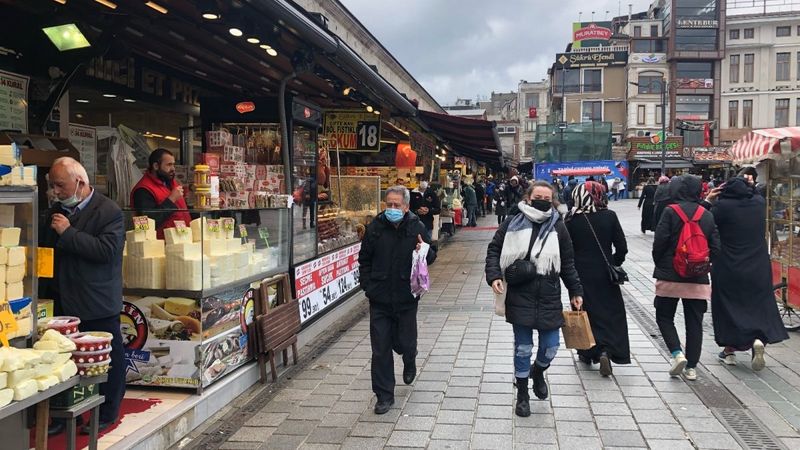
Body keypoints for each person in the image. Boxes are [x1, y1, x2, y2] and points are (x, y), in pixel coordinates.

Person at [40, 157, 126, 434]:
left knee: (104, 362)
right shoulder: (54, 210)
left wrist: (68, 233)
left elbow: (105, 252)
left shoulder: (109, 211)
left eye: (60, 185)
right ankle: (65, 416)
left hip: (96, 300)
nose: (56, 191)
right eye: (52, 186)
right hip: (62, 298)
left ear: (80, 182)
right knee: (62, 360)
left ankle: (107, 413)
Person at [485, 181, 583, 417]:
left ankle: (538, 372)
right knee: (523, 348)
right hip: (520, 294)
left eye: (546, 198)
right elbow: (494, 250)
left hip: (549, 296)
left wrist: (575, 291)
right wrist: (494, 275)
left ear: (552, 200)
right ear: (528, 198)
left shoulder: (559, 226)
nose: (541, 200)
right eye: (537, 196)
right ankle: (522, 394)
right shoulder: (512, 222)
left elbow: (568, 263)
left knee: (551, 347)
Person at [359, 186, 437, 414]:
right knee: (380, 348)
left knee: (405, 342)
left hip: (406, 296)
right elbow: (364, 259)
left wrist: (424, 249)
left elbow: (432, 256)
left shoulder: (416, 226)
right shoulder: (375, 227)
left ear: (405, 206)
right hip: (380, 297)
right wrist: (368, 286)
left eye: (396, 205)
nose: (392, 209)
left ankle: (409, 358)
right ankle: (384, 395)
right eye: (388, 204)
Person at [704, 177, 788, 370]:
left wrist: (710, 200)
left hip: (727, 265)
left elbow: (703, 220)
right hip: (757, 265)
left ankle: (729, 350)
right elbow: (757, 190)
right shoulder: (758, 203)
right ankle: (758, 340)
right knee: (758, 304)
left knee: (727, 305)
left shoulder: (721, 208)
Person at [652, 175, 720, 381]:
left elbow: (659, 242)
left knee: (664, 316)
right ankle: (691, 367)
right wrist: (704, 266)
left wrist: (661, 264)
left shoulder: (670, 211)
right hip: (697, 278)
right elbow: (716, 247)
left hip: (670, 276)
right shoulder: (706, 214)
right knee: (694, 322)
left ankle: (676, 353)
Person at [566, 182, 629, 376]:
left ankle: (588, 351)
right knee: (611, 312)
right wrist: (613, 262)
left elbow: (566, 250)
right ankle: (607, 349)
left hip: (580, 274)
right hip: (605, 273)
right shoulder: (609, 216)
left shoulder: (570, 220)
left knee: (585, 311)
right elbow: (622, 247)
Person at [131, 148, 192, 238]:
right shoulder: (143, 190)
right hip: (160, 246)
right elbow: (145, 225)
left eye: (173, 165)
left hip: (182, 240)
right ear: (156, 166)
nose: (173, 169)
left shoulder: (171, 183)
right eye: (169, 165)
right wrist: (171, 199)